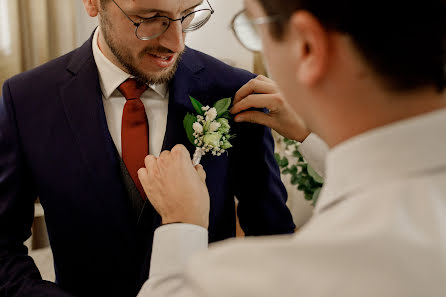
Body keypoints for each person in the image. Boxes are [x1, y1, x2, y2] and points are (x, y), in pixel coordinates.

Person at [136, 0, 446, 296]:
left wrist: (182, 223)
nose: (178, 43)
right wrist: (315, 133)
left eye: (254, 27)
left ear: (307, 46)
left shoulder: (278, 280)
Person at [0, 0, 296, 296]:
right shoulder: (26, 99)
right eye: (151, 18)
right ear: (93, 3)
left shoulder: (234, 92)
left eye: (187, 14)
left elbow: (272, 239)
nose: (176, 42)